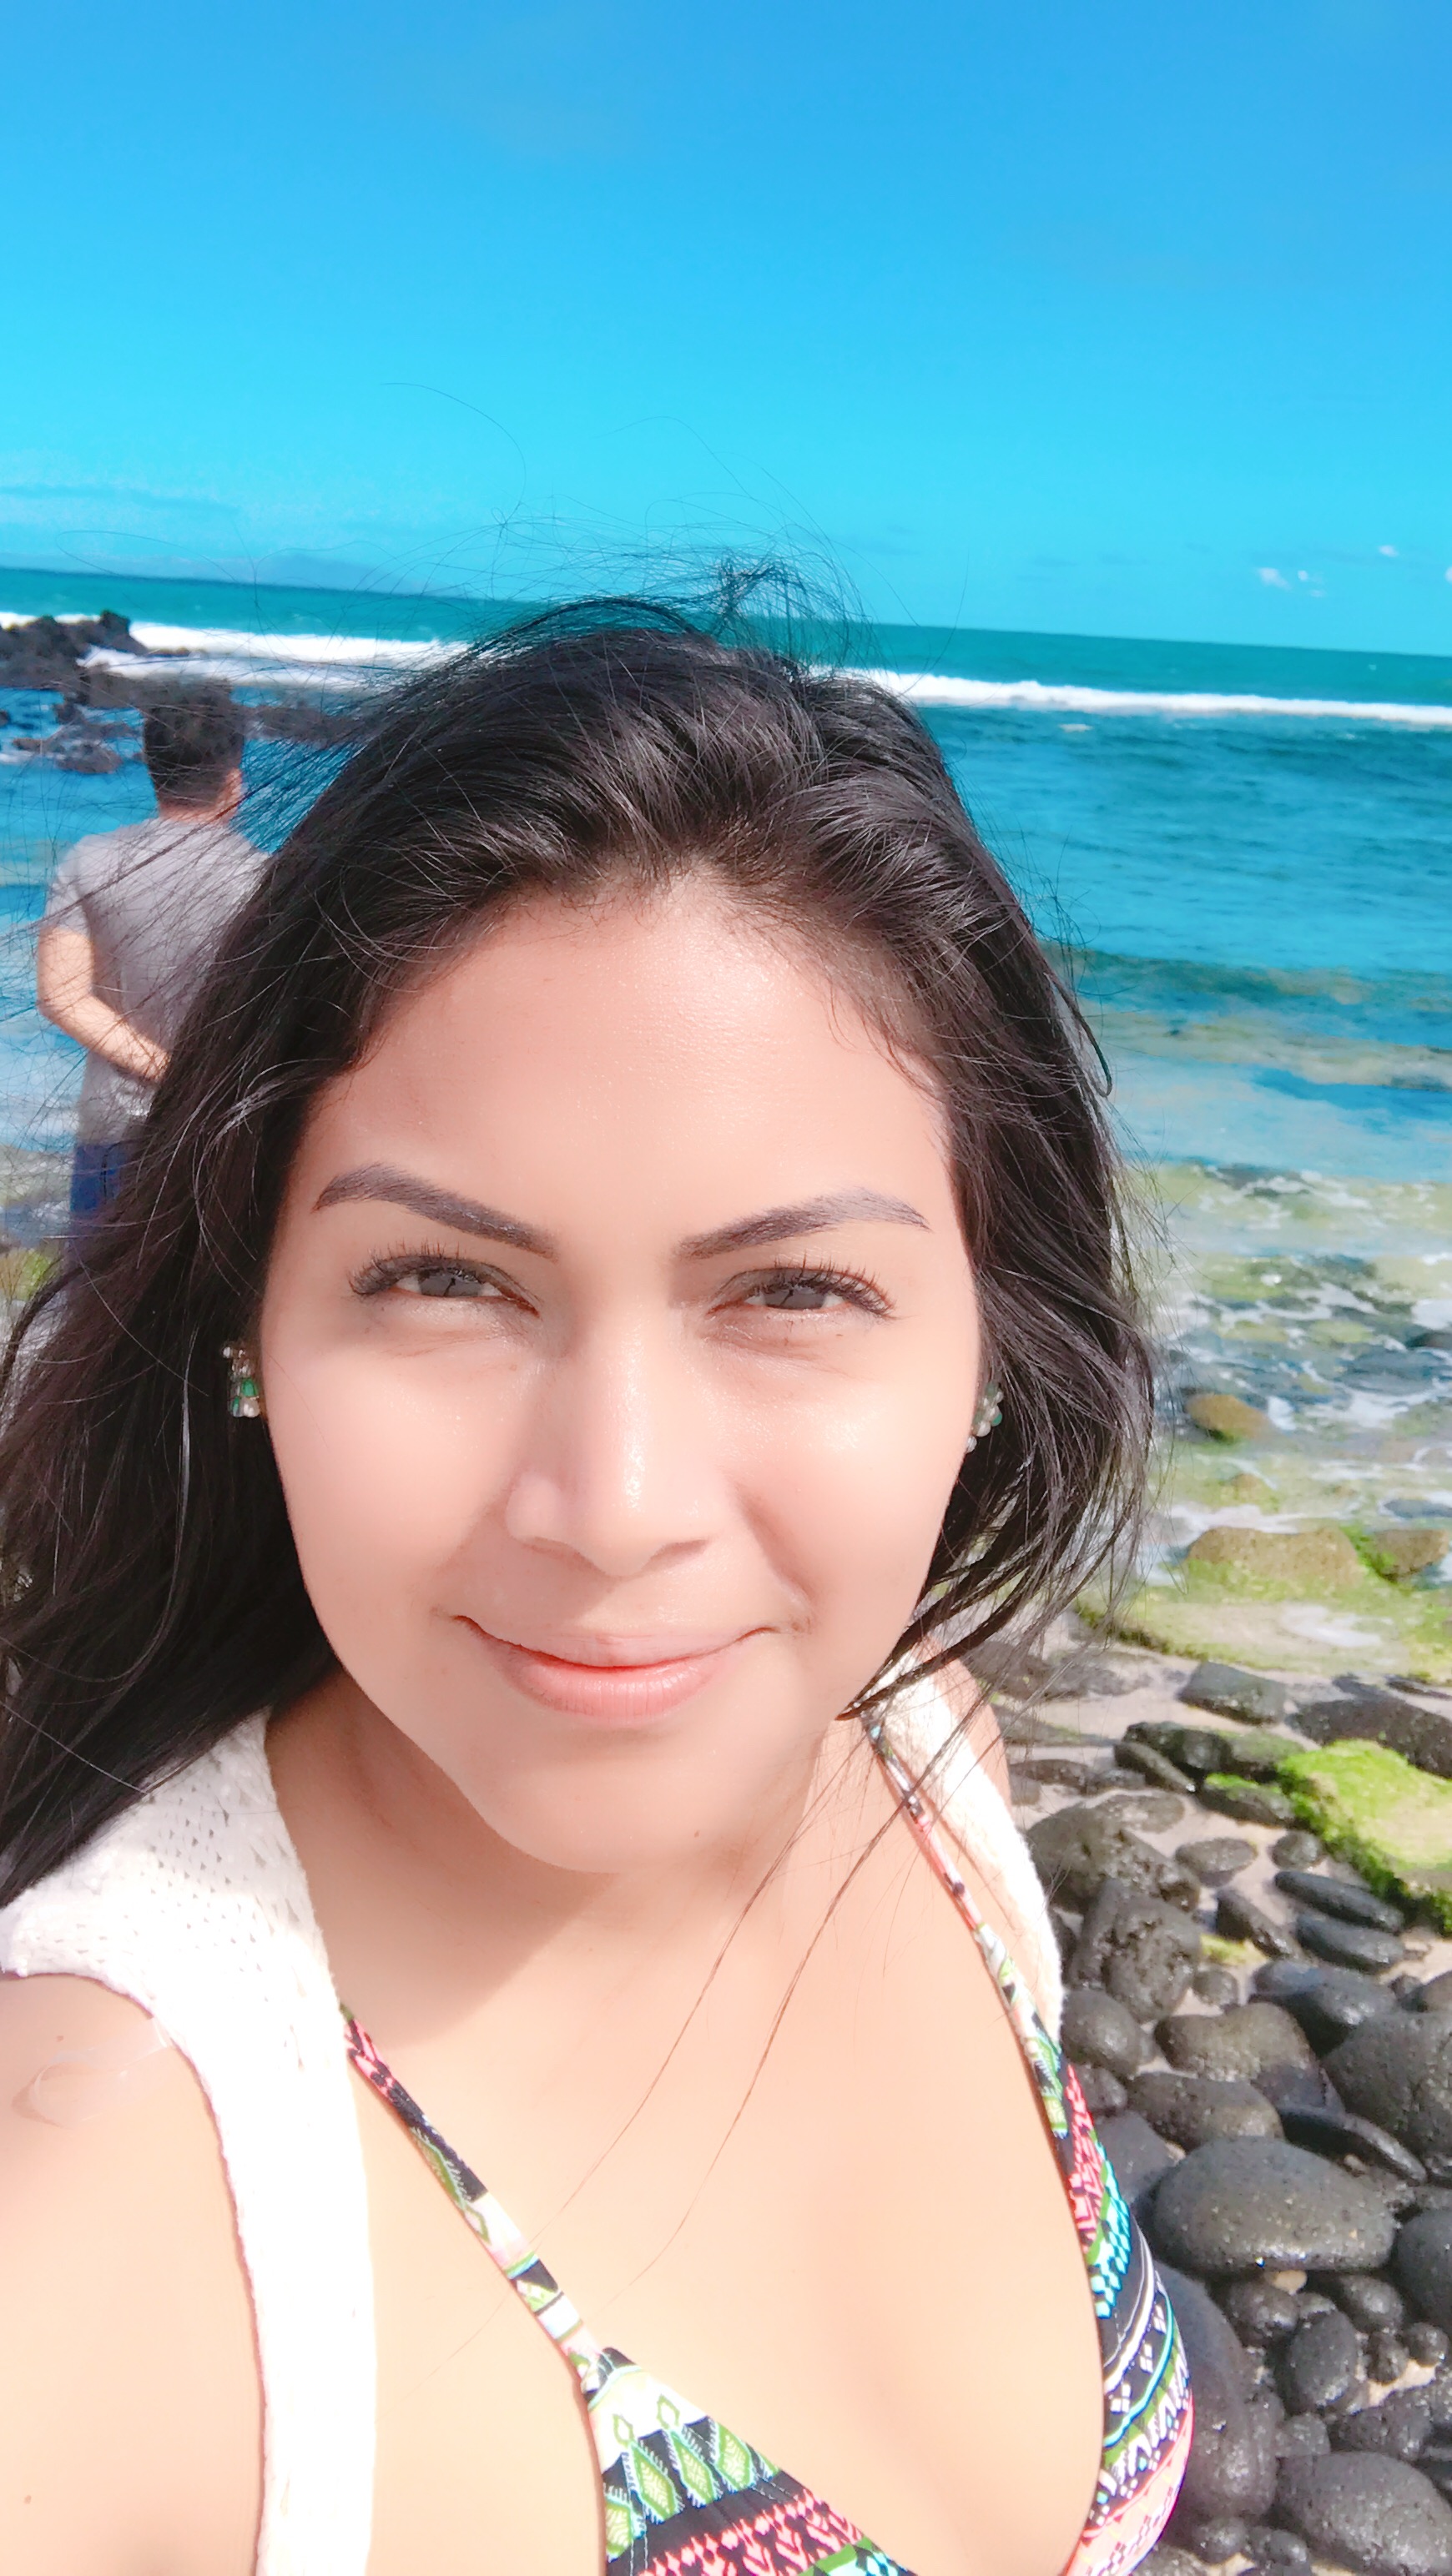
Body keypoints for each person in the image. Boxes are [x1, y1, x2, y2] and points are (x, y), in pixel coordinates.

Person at [0, 609, 1189, 2576]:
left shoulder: (928, 1752)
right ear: (248, 1329)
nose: (614, 1509)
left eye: (793, 1288)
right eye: (444, 1279)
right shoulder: (100, 2202)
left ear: (995, 1338)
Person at [35, 687, 260, 1224]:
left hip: (114, 1127)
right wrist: (192, 1077)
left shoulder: (90, 862)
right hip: (218, 1129)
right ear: (234, 781)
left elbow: (61, 996)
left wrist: (163, 1068)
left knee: (99, 1274)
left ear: (152, 768)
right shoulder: (269, 881)